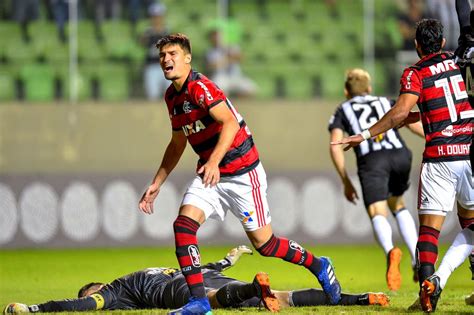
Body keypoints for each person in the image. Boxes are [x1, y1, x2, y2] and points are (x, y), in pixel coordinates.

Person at [138, 33, 342, 315]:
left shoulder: (201, 87)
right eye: (162, 55)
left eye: (172, 53)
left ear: (187, 57)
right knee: (183, 226)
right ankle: (199, 302)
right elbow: (177, 142)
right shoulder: (172, 97)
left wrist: (213, 161)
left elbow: (230, 123)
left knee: (265, 244)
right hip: (212, 174)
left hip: (242, 172)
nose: (166, 59)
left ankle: (319, 265)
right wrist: (157, 183)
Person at [332, 18, 474, 313]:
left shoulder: (416, 73)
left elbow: (400, 112)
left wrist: (366, 134)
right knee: (470, 226)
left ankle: (426, 292)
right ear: (444, 43)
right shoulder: (459, 61)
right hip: (469, 153)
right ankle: (442, 280)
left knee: (429, 232)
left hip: (440, 159)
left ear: (417, 45)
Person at [2, 246, 389, 314]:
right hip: (206, 272)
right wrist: (229, 258)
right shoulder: (148, 269)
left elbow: (81, 305)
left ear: (98, 286)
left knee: (213, 301)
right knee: (286, 299)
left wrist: (34, 308)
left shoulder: (116, 290)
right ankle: (357, 300)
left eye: (93, 291)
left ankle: (255, 288)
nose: (94, 298)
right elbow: (200, 266)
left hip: (183, 288)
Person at [328, 68, 423, 291]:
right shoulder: (385, 101)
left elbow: (335, 146)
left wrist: (345, 180)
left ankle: (391, 251)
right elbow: (411, 123)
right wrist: (434, 137)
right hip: (401, 154)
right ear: (369, 88)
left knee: (377, 212)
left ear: (346, 91)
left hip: (372, 160)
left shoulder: (342, 109)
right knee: (398, 204)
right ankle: (416, 258)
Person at [204, 28, 256, 98]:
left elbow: (240, 58)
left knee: (251, 90)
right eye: (214, 37)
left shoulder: (231, 47)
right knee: (216, 91)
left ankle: (235, 99)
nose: (217, 39)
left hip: (235, 76)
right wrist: (226, 59)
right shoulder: (210, 51)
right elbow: (212, 65)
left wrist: (228, 53)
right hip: (221, 77)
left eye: (219, 37)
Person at [139, 2, 169, 101]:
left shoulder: (168, 31)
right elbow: (141, 43)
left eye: (159, 16)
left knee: (171, 95)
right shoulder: (147, 32)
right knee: (152, 96)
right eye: (154, 16)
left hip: (166, 66)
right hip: (151, 66)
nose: (156, 19)